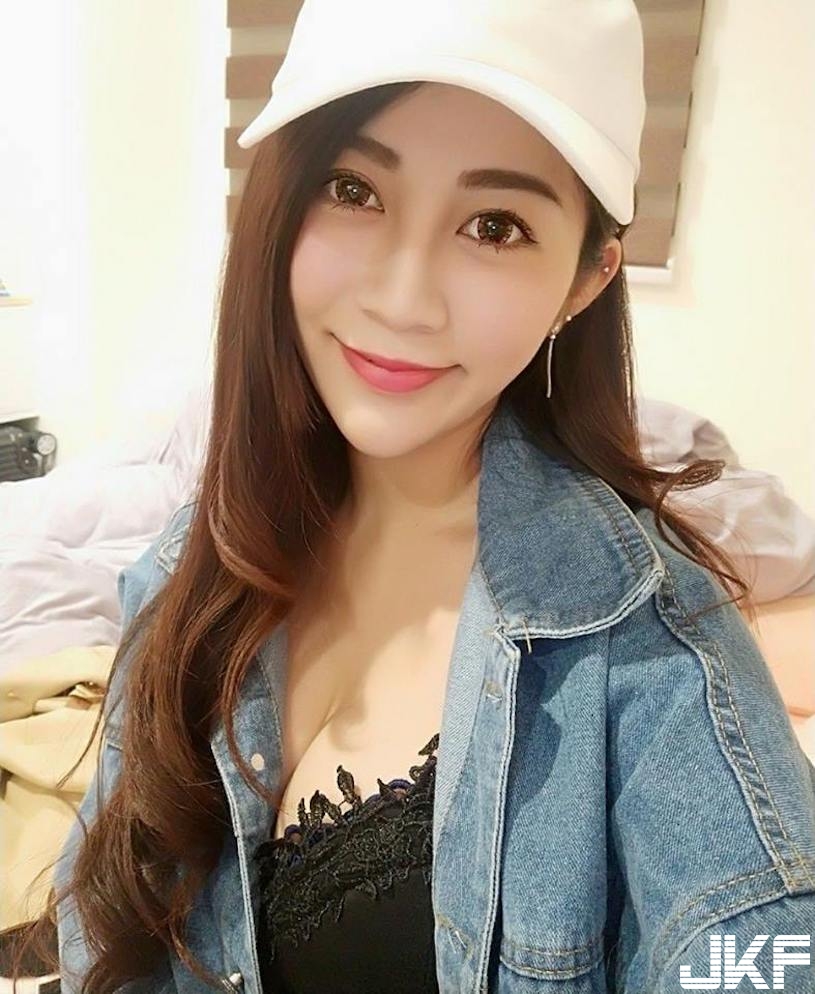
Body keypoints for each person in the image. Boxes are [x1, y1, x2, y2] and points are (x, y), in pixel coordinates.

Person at [8, 0, 815, 991]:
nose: (400, 298)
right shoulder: (187, 564)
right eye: (353, 190)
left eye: (494, 226)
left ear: (584, 281)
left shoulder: (654, 656)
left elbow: (760, 942)